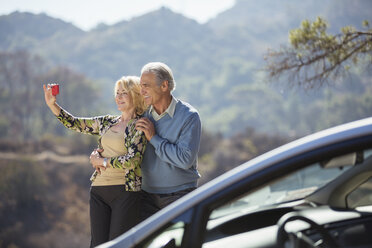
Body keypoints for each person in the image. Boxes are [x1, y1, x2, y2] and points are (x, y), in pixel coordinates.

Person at [43, 76, 147, 247]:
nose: (118, 97)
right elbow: (75, 124)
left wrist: (103, 161)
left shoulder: (140, 125)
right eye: (117, 93)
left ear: (135, 95)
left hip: (126, 191)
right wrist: (53, 105)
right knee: (98, 244)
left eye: (124, 93)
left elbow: (133, 160)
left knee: (118, 244)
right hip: (99, 190)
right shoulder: (107, 122)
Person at [135, 62, 202, 220]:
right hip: (145, 197)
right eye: (140, 85)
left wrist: (154, 138)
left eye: (146, 85)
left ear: (164, 85)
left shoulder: (189, 116)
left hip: (180, 195)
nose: (141, 91)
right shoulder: (141, 115)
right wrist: (101, 157)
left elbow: (185, 159)